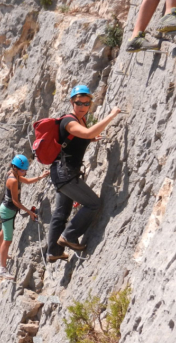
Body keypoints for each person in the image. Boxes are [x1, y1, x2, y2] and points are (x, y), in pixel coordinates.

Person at [47, 85, 121, 262]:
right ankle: (69, 236)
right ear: (72, 102)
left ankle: (54, 251)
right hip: (65, 174)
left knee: (61, 213)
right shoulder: (69, 121)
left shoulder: (80, 121)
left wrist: (89, 139)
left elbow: (81, 138)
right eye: (79, 102)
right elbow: (86, 133)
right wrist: (111, 115)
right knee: (93, 204)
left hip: (61, 172)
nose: (82, 106)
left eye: (86, 103)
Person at [0, 155, 49, 279]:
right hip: (8, 210)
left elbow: (27, 181)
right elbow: (16, 202)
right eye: (22, 170)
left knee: (3, 231)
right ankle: (2, 269)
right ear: (15, 168)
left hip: (6, 209)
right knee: (8, 240)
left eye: (25, 170)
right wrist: (29, 212)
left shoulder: (13, 174)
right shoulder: (13, 180)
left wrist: (40, 177)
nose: (24, 172)